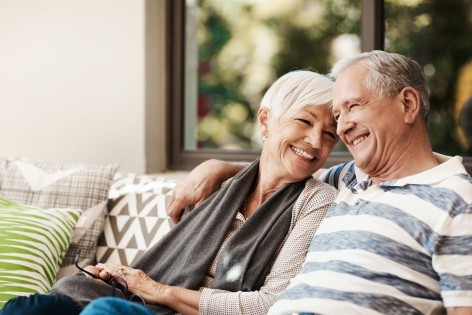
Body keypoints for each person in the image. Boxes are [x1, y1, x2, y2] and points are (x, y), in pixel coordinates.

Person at [1, 70, 339, 315]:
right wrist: (128, 280)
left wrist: (154, 289)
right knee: (25, 308)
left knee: (104, 312)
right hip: (141, 301)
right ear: (265, 121)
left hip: (168, 308)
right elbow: (174, 264)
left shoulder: (317, 201)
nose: (315, 141)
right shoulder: (217, 185)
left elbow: (270, 304)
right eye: (305, 122)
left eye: (329, 134)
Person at [166, 50, 472, 314]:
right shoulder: (348, 178)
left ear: (407, 104)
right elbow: (282, 167)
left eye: (353, 107)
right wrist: (219, 167)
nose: (342, 128)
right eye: (338, 115)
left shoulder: (457, 202)